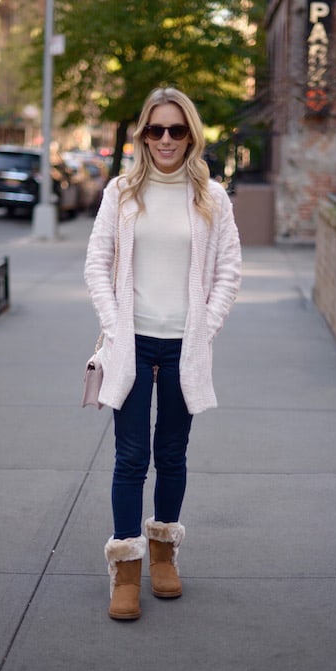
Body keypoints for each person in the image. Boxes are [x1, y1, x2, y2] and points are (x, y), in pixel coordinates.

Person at [84, 86, 241, 620]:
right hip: (132, 342)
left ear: (191, 134)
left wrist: (206, 327)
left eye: (177, 129)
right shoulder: (122, 193)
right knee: (131, 458)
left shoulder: (212, 198)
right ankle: (126, 568)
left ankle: (164, 557)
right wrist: (113, 326)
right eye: (156, 130)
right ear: (143, 136)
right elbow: (96, 265)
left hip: (183, 346)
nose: (166, 139)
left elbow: (228, 273)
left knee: (172, 454)